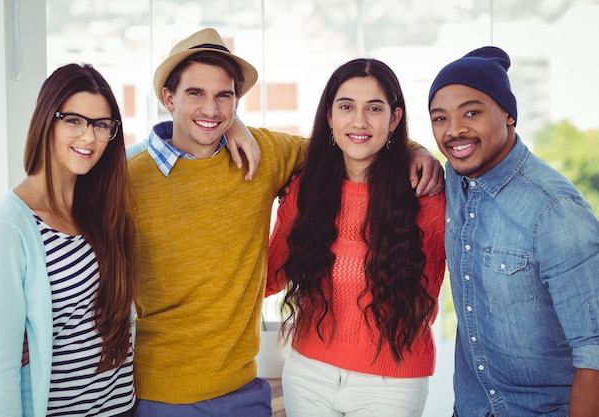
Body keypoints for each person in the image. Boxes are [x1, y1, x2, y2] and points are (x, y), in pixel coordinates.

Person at [126, 28, 444, 417]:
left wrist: (418, 150)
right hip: (167, 388)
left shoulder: (265, 154)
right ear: (168, 97)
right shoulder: (127, 180)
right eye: (196, 94)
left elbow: (351, 143)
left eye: (223, 96)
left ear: (236, 103)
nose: (210, 109)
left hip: (248, 387)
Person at [265, 58, 446, 417]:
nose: (359, 121)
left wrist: (424, 153)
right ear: (329, 116)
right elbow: (271, 277)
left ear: (394, 119)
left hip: (391, 384)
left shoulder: (426, 195)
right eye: (346, 106)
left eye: (374, 108)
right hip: (307, 373)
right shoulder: (305, 189)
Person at [428, 46, 599, 417]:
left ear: (509, 115)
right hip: (472, 408)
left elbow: (595, 350)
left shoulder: (555, 211)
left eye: (471, 112)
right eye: (439, 118)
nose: (454, 129)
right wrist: (415, 153)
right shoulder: (456, 180)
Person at [0, 63, 137, 417]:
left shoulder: (101, 206)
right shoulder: (10, 227)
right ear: (46, 121)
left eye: (101, 125)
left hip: (123, 407)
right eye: (74, 120)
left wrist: (231, 128)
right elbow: (0, 367)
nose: (89, 138)